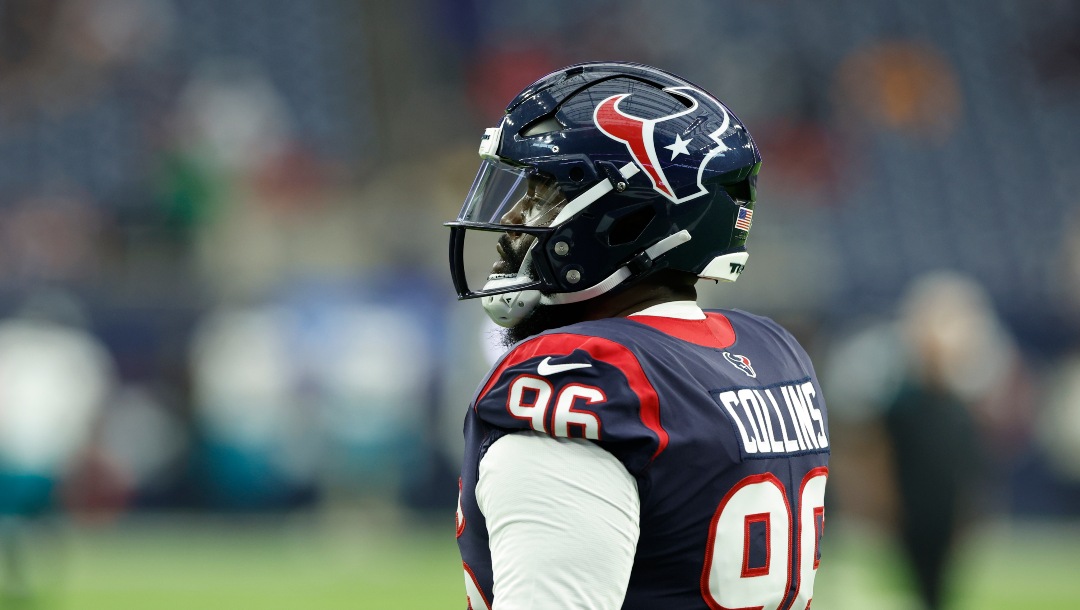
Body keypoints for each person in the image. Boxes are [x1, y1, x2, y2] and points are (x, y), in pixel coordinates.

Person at [445, 62, 830, 610]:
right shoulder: (772, 353)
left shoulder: (587, 380)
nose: (513, 220)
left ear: (624, 219)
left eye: (543, 191)